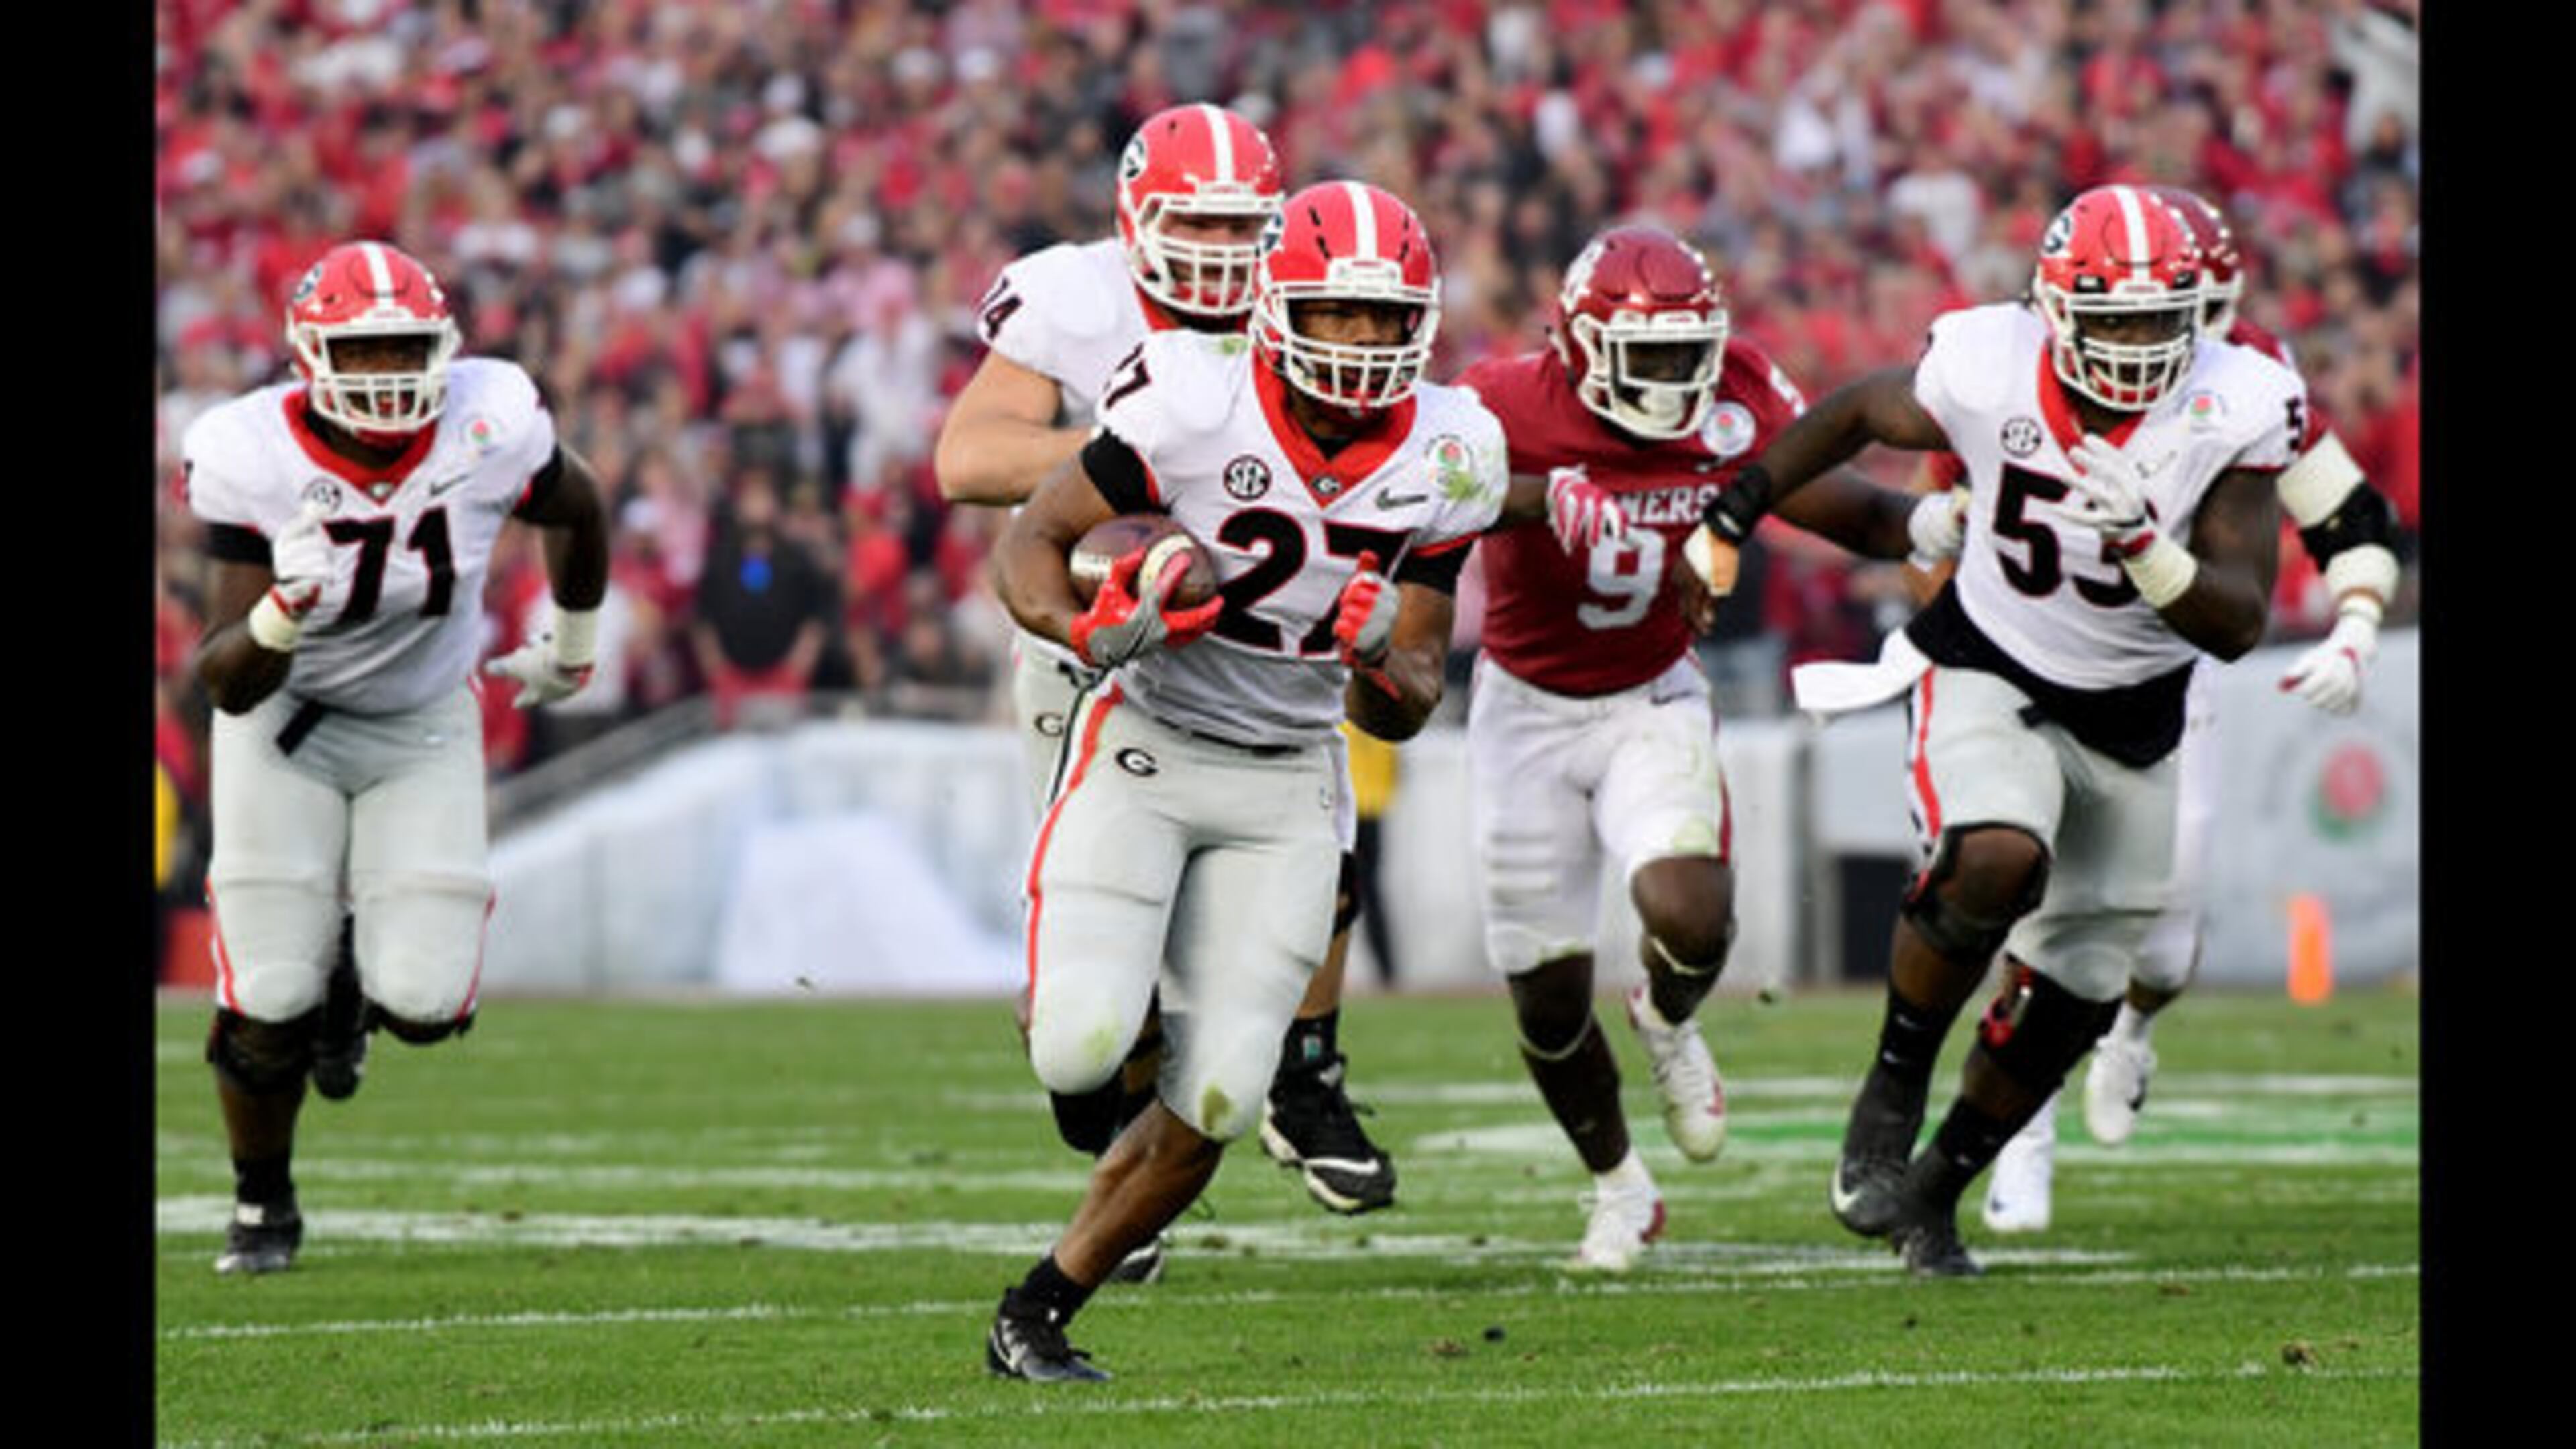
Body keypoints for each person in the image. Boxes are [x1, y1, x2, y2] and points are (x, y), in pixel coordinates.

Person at [1686, 184, 2300, 1277]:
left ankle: (1937, 1190)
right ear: (2056, 308)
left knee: (2080, 991)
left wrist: (2153, 554)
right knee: (1997, 856)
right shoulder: (1988, 359)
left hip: (2139, 718)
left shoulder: (2240, 400)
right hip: (1991, 664)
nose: (2138, 346)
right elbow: (1860, 412)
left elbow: (2241, 621)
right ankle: (1893, 1084)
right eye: (2112, 321)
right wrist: (1741, 501)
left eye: (2162, 323)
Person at [982, 180, 1505, 1380]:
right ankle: (1121, 1048)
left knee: (1220, 1096)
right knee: (1077, 1047)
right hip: (1149, 742)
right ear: (1280, 309)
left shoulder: (1452, 448)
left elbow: (1410, 699)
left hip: (1287, 776)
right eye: (1337, 316)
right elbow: (1030, 544)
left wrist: (1381, 651)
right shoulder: (1190, 399)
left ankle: (1040, 1311)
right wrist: (1089, 626)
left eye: (1386, 322)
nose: (1365, 346)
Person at [933, 104, 1405, 1249]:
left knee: (1315, 837)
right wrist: (1146, 453)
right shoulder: (1075, 297)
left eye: (1242, 227)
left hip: (1258, 638)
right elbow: (969, 458)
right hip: (1091, 638)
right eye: (1193, 224)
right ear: (1135, 217)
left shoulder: (1303, 292)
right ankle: (1121, 1149)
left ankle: (1306, 1072)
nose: (1220, 252)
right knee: (1113, 971)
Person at [1454, 223, 1958, 1269]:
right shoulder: (1503, 402)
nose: (1676, 379)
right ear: (1583, 348)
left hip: (1653, 694)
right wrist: (1542, 498)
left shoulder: (1733, 396)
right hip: (1524, 708)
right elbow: (1423, 501)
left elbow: (1838, 506)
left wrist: (1928, 527)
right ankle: (1619, 1188)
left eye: (1690, 354)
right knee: (1545, 998)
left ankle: (1669, 1019)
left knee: (1692, 912)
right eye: (1651, 357)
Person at [1978, 184, 2406, 1234]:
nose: (2155, 345)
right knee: (2028, 890)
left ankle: (2129, 1034)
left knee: (2161, 943)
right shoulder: (2020, 357)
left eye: (2194, 315)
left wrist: (2355, 623)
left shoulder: (2247, 378)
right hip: (2034, 655)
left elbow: (2349, 512)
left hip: (2174, 667)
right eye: (2127, 316)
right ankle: (2018, 1135)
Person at [184, 239, 610, 1274]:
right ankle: (264, 1204)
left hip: (422, 719)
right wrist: (285, 614)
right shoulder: (250, 451)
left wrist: (575, 643)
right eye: (363, 352)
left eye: (404, 349)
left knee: (422, 1000)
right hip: (282, 721)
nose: (385, 374)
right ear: (311, 355)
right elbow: (224, 677)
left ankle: (353, 996)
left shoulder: (488, 416)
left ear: (443, 347)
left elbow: (580, 503)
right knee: (269, 989)